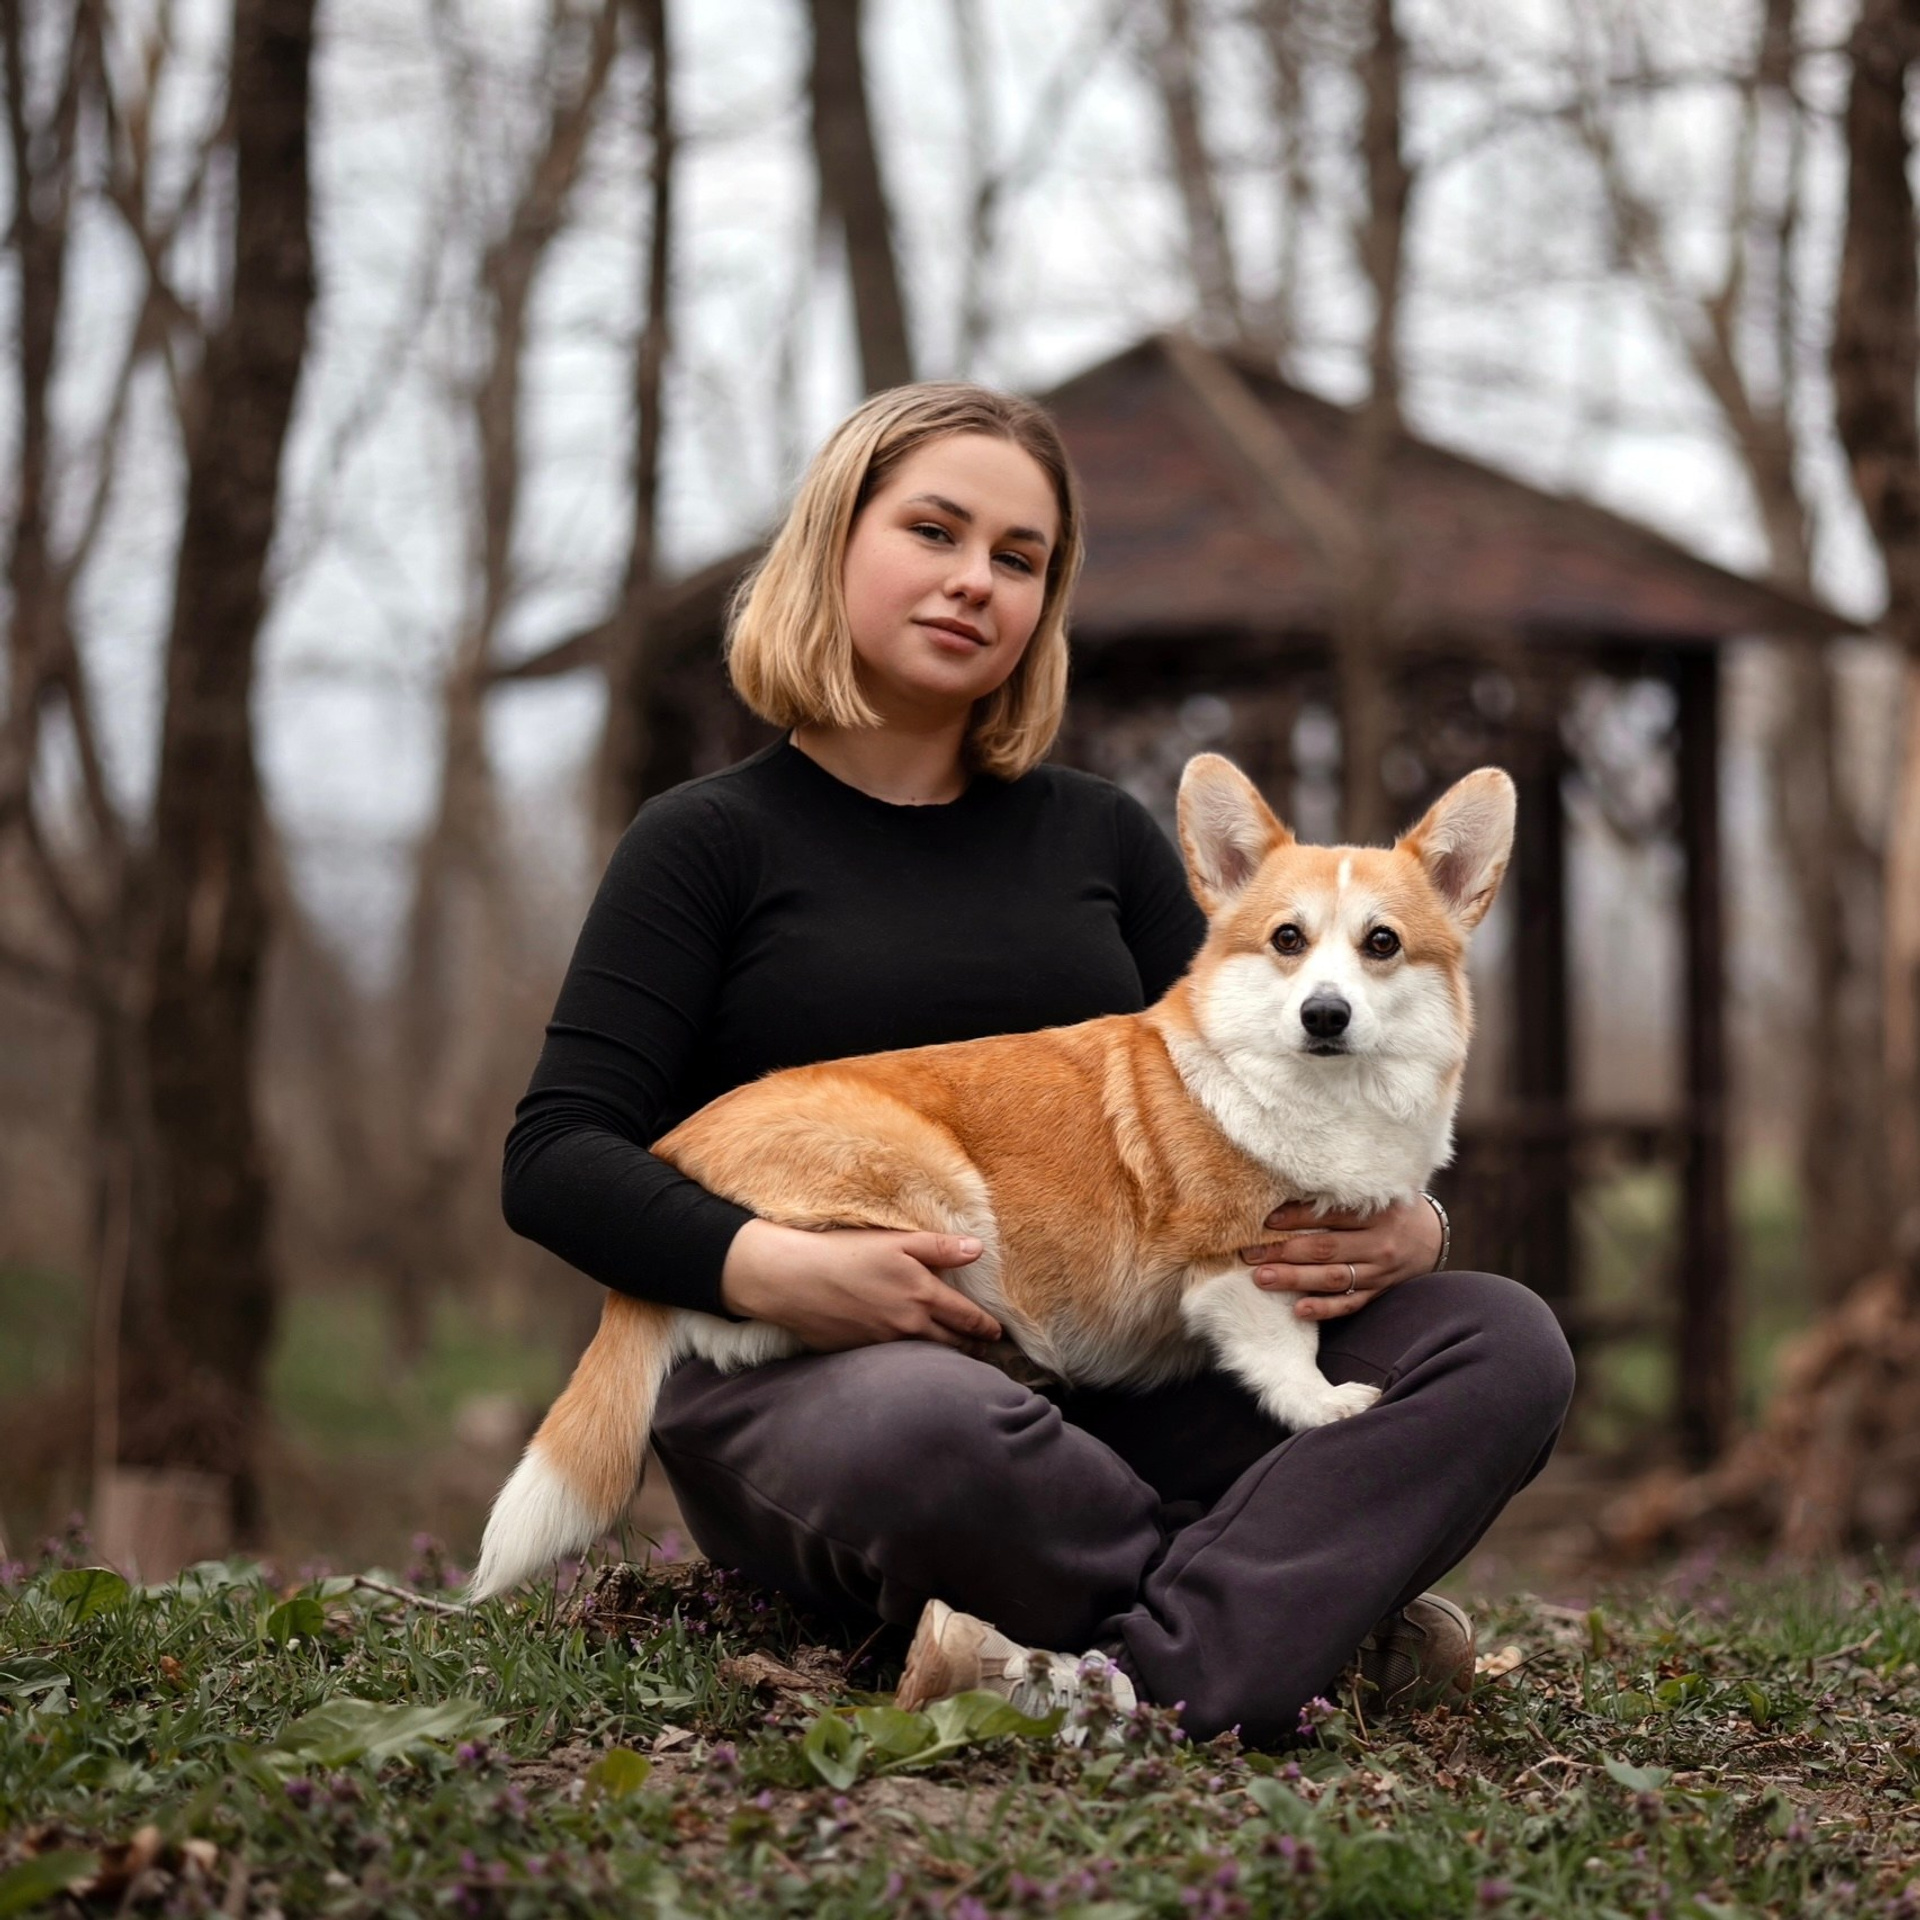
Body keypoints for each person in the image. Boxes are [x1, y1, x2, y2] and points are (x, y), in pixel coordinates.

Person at [501, 382, 1575, 1747]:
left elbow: (1239, 1106)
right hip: (823, 1388)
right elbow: (555, 1161)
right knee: (941, 1431)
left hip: (1116, 1372)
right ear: (835, 541)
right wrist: (774, 1266)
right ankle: (1285, 1620)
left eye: (1019, 559)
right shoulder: (705, 843)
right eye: (934, 532)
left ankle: (1127, 1667)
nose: (973, 583)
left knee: (1503, 1344)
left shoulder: (1101, 842)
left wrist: (1405, 1230)